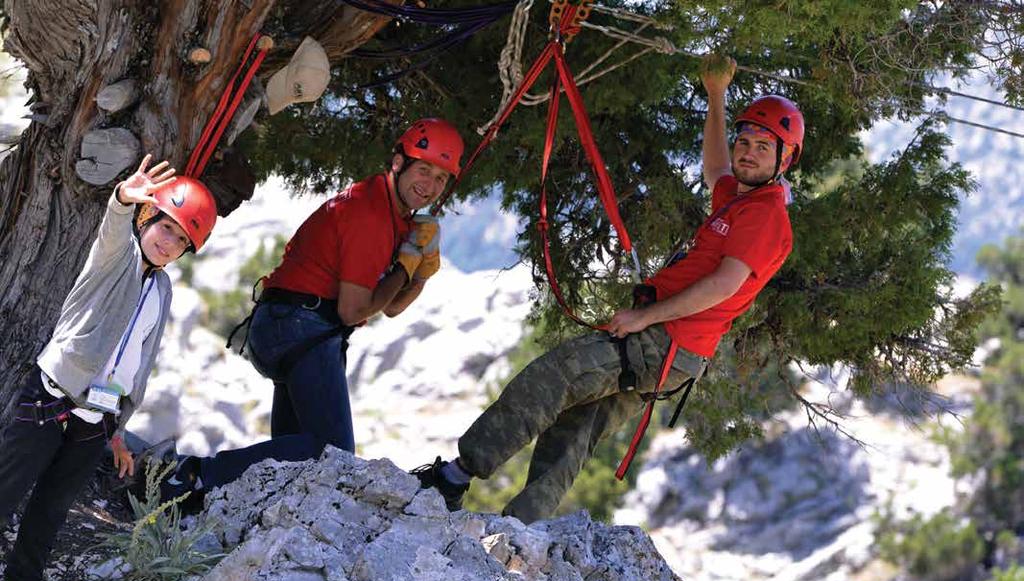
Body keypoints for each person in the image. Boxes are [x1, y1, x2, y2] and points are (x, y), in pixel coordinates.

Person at [413, 56, 803, 523]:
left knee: (554, 376)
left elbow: (723, 285)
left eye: (763, 146)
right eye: (745, 141)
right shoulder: (739, 200)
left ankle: (453, 480)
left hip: (664, 340)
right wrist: (717, 95)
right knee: (575, 428)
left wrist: (645, 318)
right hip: (676, 352)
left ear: (785, 159)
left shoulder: (764, 215)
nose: (748, 151)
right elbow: (716, 168)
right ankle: (520, 527)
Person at [160, 118, 465, 501]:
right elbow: (354, 311)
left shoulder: (393, 215)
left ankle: (201, 499)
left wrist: (420, 273)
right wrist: (406, 265)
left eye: (441, 178)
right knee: (331, 452)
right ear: (399, 163)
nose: (431, 185)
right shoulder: (370, 214)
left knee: (294, 458)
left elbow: (391, 307)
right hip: (301, 326)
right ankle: (197, 473)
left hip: (291, 326)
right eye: (424, 169)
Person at [0, 156, 217, 581]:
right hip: (50, 401)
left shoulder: (161, 290)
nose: (168, 241)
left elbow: (136, 364)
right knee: (2, 498)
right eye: (165, 227)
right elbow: (111, 228)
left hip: (93, 423)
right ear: (148, 220)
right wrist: (123, 199)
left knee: (46, 522)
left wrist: (118, 430)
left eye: (181, 239)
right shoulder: (114, 258)